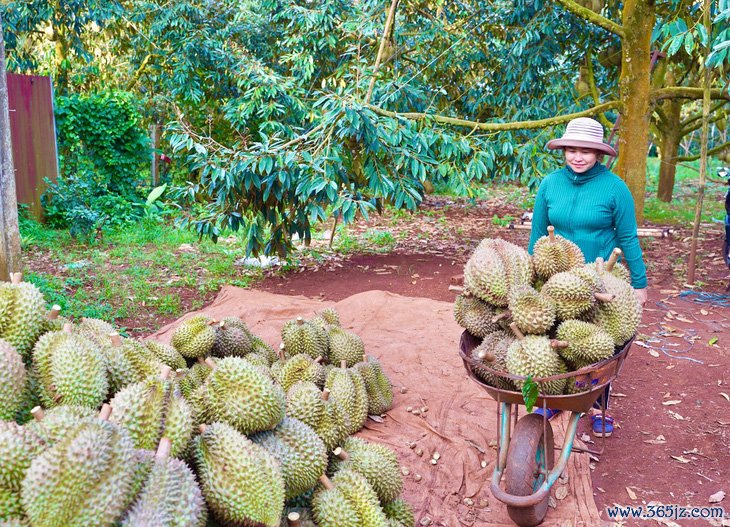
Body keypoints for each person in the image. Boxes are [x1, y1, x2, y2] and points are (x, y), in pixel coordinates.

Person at [527, 117, 648, 437]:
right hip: (557, 277)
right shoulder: (550, 184)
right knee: (553, 338)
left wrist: (639, 283)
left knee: (599, 344)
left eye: (586, 151)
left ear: (599, 153)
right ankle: (554, 396)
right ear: (563, 150)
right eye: (571, 150)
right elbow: (538, 235)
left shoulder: (614, 189)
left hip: (602, 278)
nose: (577, 157)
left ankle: (597, 403)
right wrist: (530, 274)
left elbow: (628, 238)